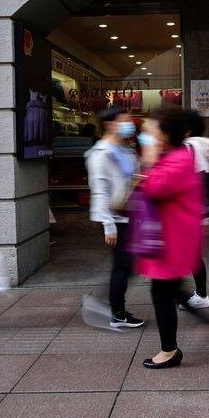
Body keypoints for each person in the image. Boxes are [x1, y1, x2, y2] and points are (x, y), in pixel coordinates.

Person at [136, 106, 205, 369]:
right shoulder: (175, 156)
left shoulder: (177, 160)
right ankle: (207, 323)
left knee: (162, 293)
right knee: (168, 290)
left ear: (164, 134)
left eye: (151, 131)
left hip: (171, 242)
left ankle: (169, 351)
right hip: (168, 238)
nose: (146, 135)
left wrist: (148, 159)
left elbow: (153, 188)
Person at [85, 107, 145, 329]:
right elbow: (99, 191)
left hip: (129, 215)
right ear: (110, 125)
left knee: (127, 265)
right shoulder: (100, 154)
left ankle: (109, 303)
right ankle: (117, 313)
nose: (130, 124)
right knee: (123, 265)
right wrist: (108, 225)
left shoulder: (125, 150)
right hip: (115, 219)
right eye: (125, 120)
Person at [182, 110, 209, 309]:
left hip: (191, 207)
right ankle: (199, 293)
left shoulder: (189, 147)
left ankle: (201, 294)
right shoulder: (201, 146)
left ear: (187, 129)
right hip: (201, 207)